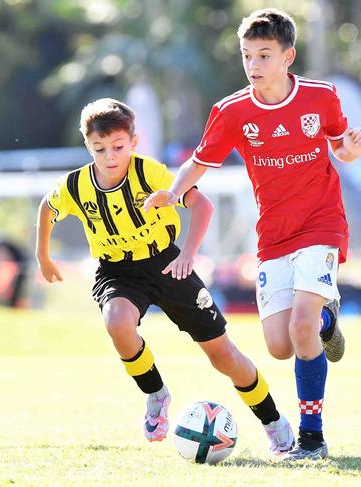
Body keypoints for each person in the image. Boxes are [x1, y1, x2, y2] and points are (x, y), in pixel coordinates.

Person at [144, 8, 361, 460]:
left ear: (288, 56)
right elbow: (200, 161)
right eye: (247, 55)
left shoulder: (319, 97)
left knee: (300, 326)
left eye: (264, 55)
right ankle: (328, 321)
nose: (253, 64)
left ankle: (312, 438)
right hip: (273, 236)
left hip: (321, 225)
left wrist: (352, 148)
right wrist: (173, 192)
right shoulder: (231, 112)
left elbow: (340, 149)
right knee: (280, 345)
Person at [35, 98, 294, 454]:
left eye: (118, 147)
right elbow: (47, 208)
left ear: (134, 142)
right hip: (118, 271)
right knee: (116, 321)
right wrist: (43, 257)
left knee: (223, 355)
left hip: (169, 265)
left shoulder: (150, 173)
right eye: (99, 148)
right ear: (87, 145)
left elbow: (202, 205)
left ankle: (273, 422)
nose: (110, 156)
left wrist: (188, 254)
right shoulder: (76, 186)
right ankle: (156, 394)